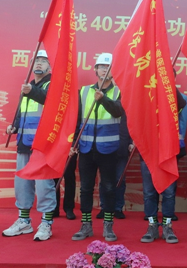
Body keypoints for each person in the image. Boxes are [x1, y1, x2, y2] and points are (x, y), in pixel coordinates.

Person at [2, 50, 56, 241]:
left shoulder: (53, 84)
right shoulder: (28, 86)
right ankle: (24, 221)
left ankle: (46, 224)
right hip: (24, 143)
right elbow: (21, 112)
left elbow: (50, 102)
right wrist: (13, 126)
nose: (39, 64)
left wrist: (31, 91)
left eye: (43, 61)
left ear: (49, 66)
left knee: (43, 185)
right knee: (22, 184)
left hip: (43, 145)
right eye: (36, 61)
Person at [72, 53, 124, 242]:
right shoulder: (84, 91)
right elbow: (76, 120)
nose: (104, 69)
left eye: (108, 67)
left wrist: (102, 99)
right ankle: (86, 225)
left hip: (109, 149)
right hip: (86, 148)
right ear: (95, 70)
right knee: (85, 188)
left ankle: (108, 227)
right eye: (101, 66)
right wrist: (73, 144)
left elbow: (118, 111)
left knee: (109, 188)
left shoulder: (119, 91)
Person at [140, 88, 187, 243]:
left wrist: (168, 83)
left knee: (168, 192)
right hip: (148, 151)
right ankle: (152, 226)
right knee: (149, 192)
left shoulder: (172, 98)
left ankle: (167, 226)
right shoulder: (145, 94)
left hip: (168, 152)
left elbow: (182, 102)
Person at [97, 111, 133, 220]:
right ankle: (104, 207)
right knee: (105, 180)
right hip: (106, 149)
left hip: (122, 148)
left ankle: (118, 208)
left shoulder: (127, 109)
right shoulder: (106, 107)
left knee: (120, 179)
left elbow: (132, 127)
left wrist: (131, 142)